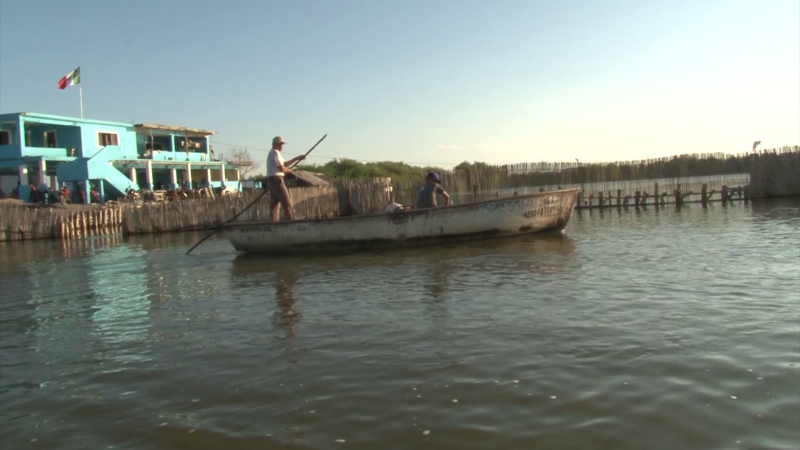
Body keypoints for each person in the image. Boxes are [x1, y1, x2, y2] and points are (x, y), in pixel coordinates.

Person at [266, 136, 306, 221]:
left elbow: (284, 164)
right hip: (276, 179)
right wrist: (291, 170)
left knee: (275, 205)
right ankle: (291, 223)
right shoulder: (275, 152)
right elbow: (282, 169)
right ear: (275, 144)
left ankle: (274, 224)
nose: (282, 146)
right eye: (280, 144)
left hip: (271, 180)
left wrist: (296, 158)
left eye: (282, 144)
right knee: (287, 204)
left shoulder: (274, 153)